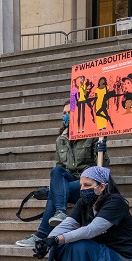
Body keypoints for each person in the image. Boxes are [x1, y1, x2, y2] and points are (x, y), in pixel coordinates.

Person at [16, 101, 106, 247]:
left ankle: (41, 234)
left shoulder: (92, 135)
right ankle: (61, 212)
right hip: (68, 182)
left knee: (54, 192)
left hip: (86, 183)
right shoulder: (61, 140)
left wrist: (102, 151)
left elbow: (102, 167)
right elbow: (60, 168)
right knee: (56, 171)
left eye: (69, 113)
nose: (66, 116)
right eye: (64, 113)